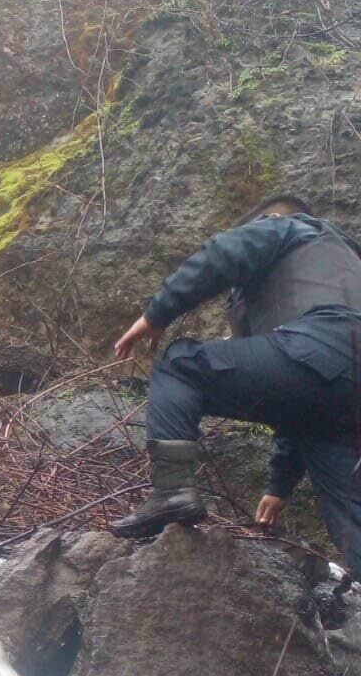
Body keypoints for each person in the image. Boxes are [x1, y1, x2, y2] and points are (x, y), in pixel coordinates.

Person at [109, 193, 361, 574]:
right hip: (341, 397)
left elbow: (226, 252)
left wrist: (159, 311)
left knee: (180, 365)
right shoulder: (348, 261)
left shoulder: (289, 226)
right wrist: (279, 487)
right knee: (349, 515)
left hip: (322, 345)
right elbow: (301, 398)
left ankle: (172, 491)